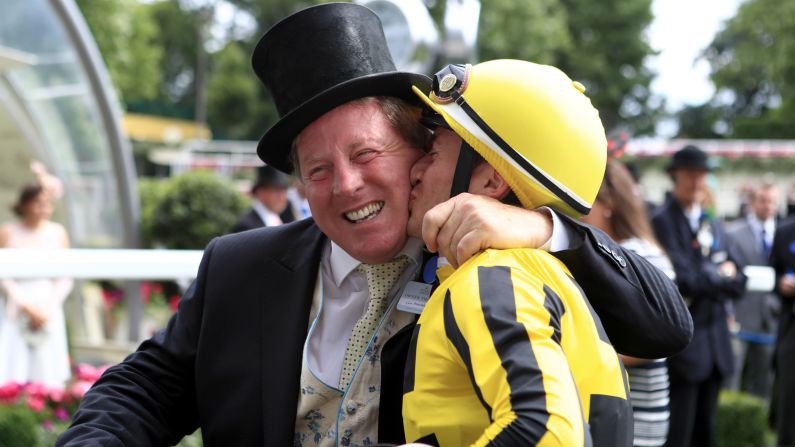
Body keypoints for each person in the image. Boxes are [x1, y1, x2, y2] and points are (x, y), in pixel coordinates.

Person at [58, 4, 690, 446]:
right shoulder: (239, 266)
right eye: (317, 169)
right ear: (299, 185)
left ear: (420, 149)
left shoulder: (491, 261)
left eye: (365, 155)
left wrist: (547, 230)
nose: (347, 186)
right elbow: (146, 388)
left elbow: (662, 324)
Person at [402, 60, 632, 446]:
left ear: (492, 180)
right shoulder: (529, 269)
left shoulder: (489, 277)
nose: (415, 170)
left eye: (434, 154)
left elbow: (549, 434)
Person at [651, 145, 746, 447]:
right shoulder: (662, 220)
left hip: (716, 344)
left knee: (707, 429)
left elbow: (740, 280)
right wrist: (719, 273)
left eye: (701, 175)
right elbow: (683, 279)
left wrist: (714, 275)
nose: (696, 181)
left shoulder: (712, 222)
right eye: (690, 174)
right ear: (675, 176)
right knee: (681, 430)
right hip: (686, 346)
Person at [582, 160, 674, 447]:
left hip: (635, 409)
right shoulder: (627, 253)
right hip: (628, 406)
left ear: (607, 202)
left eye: (586, 201)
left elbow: (653, 342)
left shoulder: (633, 257)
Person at [0, 182, 73, 387]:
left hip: (48, 303)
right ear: (24, 205)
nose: (44, 209)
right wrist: (25, 305)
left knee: (47, 362)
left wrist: (47, 309)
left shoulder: (58, 232)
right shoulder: (7, 231)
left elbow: (65, 275)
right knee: (13, 359)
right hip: (17, 304)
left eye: (47, 204)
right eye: (38, 203)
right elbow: (3, 274)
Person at [725, 181, 780, 401]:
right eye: (763, 201)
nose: (767, 206)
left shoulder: (783, 232)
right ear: (753, 203)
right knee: (733, 375)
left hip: (771, 319)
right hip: (740, 315)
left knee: (764, 379)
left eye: (772, 202)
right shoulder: (734, 233)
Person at [769, 218, 795, 447]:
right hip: (791, 327)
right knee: (788, 400)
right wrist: (781, 284)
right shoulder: (785, 231)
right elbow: (772, 271)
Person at [230, 164, 292, 232]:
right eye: (277, 192)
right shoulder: (246, 227)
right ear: (260, 192)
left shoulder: (279, 219)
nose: (282, 198)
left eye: (284, 192)